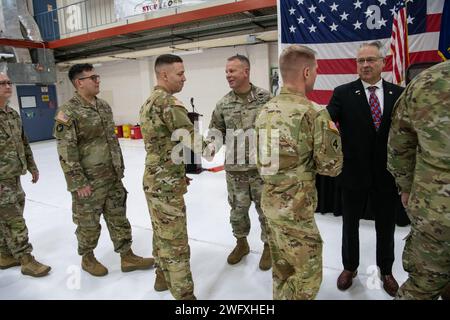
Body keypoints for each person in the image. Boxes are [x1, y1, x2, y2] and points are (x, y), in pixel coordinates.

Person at [255, 45, 342, 299]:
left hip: (270, 206)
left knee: (282, 269)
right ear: (306, 72)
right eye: (314, 71)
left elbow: (262, 160)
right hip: (297, 211)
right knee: (307, 276)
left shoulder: (265, 111)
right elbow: (331, 167)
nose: (315, 75)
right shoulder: (314, 113)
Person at [54, 64, 154, 277]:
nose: (98, 81)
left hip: (112, 175)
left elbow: (112, 141)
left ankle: (127, 256)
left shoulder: (104, 106)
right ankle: (87, 258)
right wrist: (77, 181)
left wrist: (120, 168)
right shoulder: (68, 111)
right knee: (88, 222)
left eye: (97, 77)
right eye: (93, 78)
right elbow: (66, 150)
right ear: (79, 82)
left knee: (119, 216)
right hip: (89, 181)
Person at [326, 41, 404, 297]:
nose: (366, 64)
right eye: (361, 61)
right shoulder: (342, 93)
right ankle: (349, 267)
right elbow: (325, 122)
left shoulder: (399, 93)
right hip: (353, 174)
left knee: (386, 226)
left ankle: (387, 271)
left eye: (371, 60)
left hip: (386, 175)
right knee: (350, 225)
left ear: (383, 63)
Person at [139, 54, 205, 300]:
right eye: (180, 73)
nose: (184, 78)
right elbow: (195, 142)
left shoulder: (148, 102)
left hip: (155, 179)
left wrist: (177, 173)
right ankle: (185, 296)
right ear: (164, 75)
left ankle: (161, 276)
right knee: (176, 242)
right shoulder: (169, 103)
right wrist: (225, 144)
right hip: (165, 185)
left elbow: (163, 146)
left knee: (161, 233)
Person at [387, 60, 450, 300]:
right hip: (433, 214)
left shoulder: (425, 82)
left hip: (433, 212)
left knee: (422, 286)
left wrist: (405, 186)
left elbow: (399, 147)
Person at [206, 54, 272, 270]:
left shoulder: (266, 98)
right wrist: (208, 148)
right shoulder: (223, 104)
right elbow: (216, 132)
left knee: (267, 211)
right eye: (226, 71)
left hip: (263, 169)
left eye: (232, 71)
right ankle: (241, 243)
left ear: (246, 71)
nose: (228, 75)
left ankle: (269, 247)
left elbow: (277, 129)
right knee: (237, 211)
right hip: (236, 171)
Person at [0, 72, 51, 277]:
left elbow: (23, 141)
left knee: (9, 216)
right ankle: (26, 259)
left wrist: (32, 166)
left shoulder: (12, 114)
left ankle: (4, 254)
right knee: (15, 220)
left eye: (9, 82)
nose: (7, 86)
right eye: (2, 83)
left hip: (14, 176)